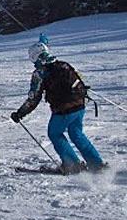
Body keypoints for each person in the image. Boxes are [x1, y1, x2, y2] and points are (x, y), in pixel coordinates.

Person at [11, 42, 106, 174]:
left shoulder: (40, 73)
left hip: (63, 110)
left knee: (54, 133)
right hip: (79, 105)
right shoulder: (64, 64)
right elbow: (80, 80)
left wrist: (20, 113)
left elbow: (34, 98)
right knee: (76, 133)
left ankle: (72, 165)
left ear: (35, 57)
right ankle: (96, 164)